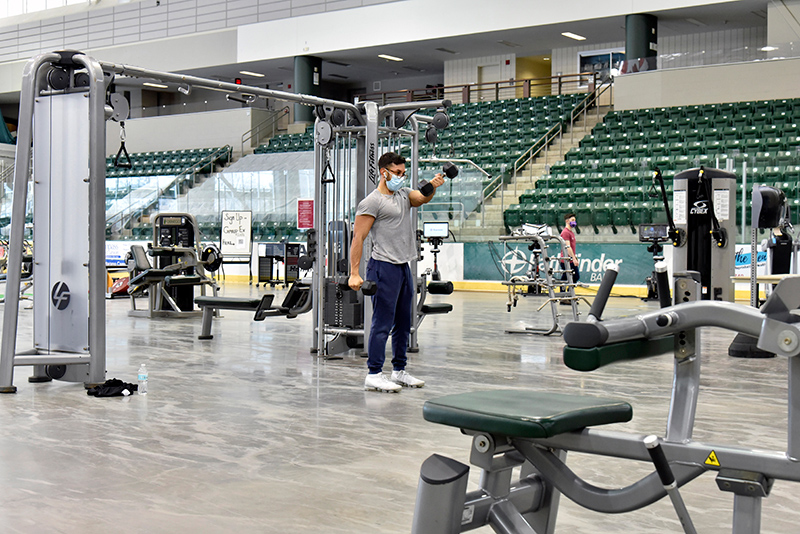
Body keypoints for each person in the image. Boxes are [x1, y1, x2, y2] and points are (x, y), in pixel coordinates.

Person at [348, 152, 445, 393]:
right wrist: (354, 273)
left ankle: (399, 371)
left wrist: (432, 186)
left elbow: (421, 198)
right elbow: (358, 237)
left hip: (403, 266)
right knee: (382, 323)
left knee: (404, 322)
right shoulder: (372, 202)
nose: (401, 177)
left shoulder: (402, 194)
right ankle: (374, 373)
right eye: (398, 173)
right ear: (385, 172)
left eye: (403, 173)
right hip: (382, 266)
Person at [560, 212, 580, 301]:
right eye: (572, 220)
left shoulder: (571, 232)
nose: (574, 222)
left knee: (573, 277)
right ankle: (564, 296)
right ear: (567, 221)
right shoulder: (565, 233)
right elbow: (568, 247)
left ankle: (567, 295)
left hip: (570, 259)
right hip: (566, 260)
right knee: (568, 278)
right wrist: (573, 258)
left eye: (574, 220)